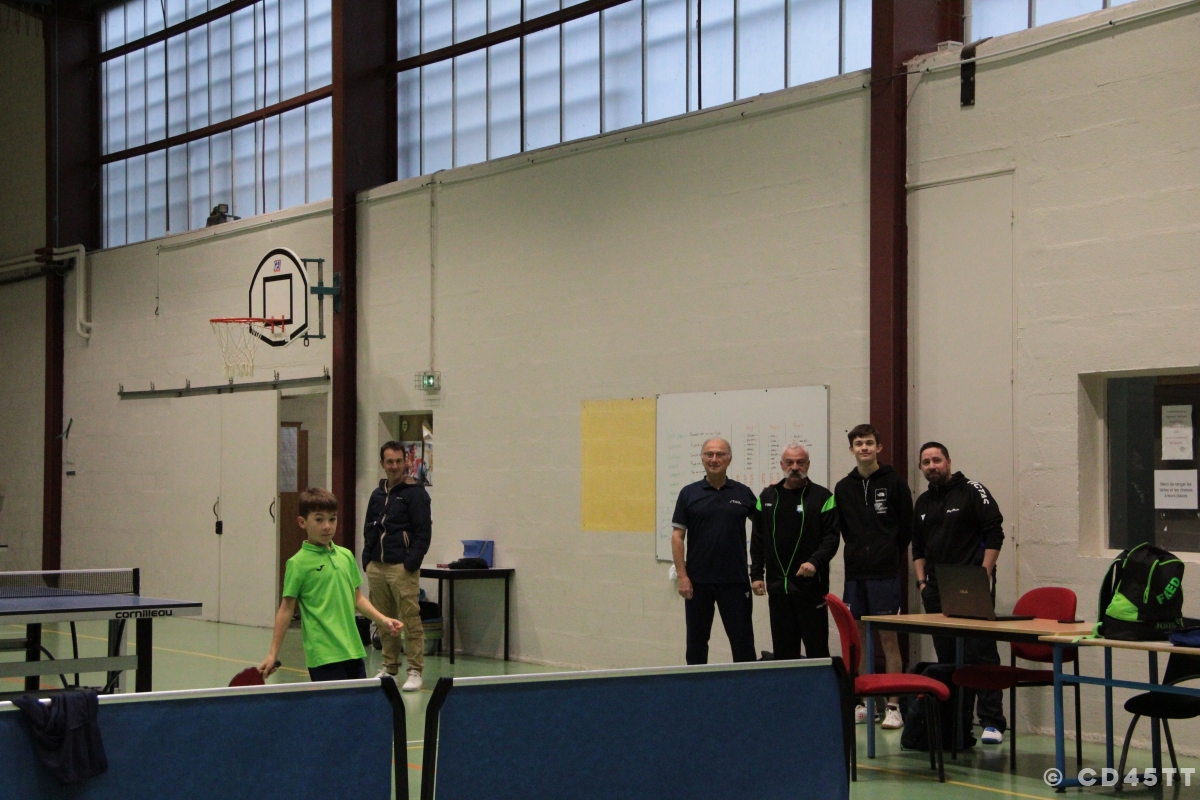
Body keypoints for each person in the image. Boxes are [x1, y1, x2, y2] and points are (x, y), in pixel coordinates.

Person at [912, 441, 1007, 745]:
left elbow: (995, 533)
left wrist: (983, 574)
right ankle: (958, 724)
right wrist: (922, 583)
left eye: (937, 460)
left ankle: (992, 722)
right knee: (949, 658)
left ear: (949, 462)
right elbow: (917, 547)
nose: (932, 466)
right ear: (921, 468)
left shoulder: (972, 490)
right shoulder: (922, 502)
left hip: (970, 585)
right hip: (935, 589)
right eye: (926, 462)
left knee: (981, 654)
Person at [259, 488, 402, 682]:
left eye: (332, 519)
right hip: (324, 655)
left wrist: (383, 620)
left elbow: (357, 599)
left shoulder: (346, 556)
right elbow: (286, 609)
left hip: (353, 650)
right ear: (302, 522)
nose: (327, 526)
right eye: (319, 520)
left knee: (358, 701)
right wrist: (272, 654)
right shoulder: (298, 564)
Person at [834, 424, 913, 730]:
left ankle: (893, 706)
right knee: (859, 640)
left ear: (878, 447)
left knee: (888, 640)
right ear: (851, 449)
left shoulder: (894, 482)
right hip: (855, 574)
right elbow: (844, 529)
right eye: (858, 444)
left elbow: (906, 528)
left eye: (868, 443)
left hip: (884, 575)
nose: (864, 448)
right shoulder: (844, 487)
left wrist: (887, 554)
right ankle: (866, 703)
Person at [671, 437, 758, 664]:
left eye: (720, 454)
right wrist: (682, 576)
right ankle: (697, 687)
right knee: (696, 644)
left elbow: (764, 530)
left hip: (735, 582)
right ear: (702, 458)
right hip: (698, 583)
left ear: (729, 459)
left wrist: (759, 571)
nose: (714, 459)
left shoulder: (743, 493)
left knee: (743, 643)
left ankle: (747, 685)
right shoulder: (688, 493)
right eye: (709, 454)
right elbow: (677, 537)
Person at [750, 443, 840, 660]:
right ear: (782, 465)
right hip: (778, 588)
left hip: (810, 587)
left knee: (817, 651)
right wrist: (756, 574)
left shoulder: (823, 497)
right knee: (784, 654)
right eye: (789, 462)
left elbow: (831, 538)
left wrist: (815, 562)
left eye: (800, 462)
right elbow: (758, 539)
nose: (795, 467)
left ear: (808, 464)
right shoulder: (767, 497)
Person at [362, 441, 433, 691]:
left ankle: (415, 670)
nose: (394, 466)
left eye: (398, 461)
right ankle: (390, 668)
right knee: (384, 621)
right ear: (382, 464)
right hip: (377, 567)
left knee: (410, 620)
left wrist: (410, 564)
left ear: (406, 462)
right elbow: (369, 528)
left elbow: (423, 533)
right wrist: (367, 559)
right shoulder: (377, 495)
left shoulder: (416, 494)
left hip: (402, 569)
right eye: (389, 462)